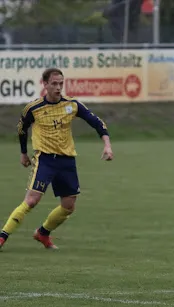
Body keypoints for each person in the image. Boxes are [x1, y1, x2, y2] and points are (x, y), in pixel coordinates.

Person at [0, 68, 114, 250]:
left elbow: (96, 122)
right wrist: (23, 153)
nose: (58, 87)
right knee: (31, 201)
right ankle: (2, 237)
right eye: (54, 83)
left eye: (61, 83)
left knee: (68, 206)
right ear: (45, 84)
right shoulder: (34, 108)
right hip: (44, 159)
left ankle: (43, 233)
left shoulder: (72, 105)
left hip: (66, 161)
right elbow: (22, 129)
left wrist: (107, 144)